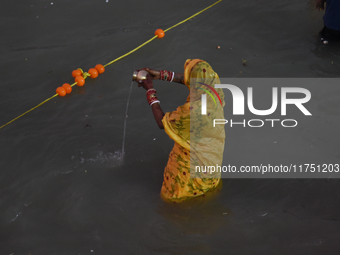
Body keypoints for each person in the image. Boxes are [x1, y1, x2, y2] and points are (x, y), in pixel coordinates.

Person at [136, 59, 226, 202]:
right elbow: (189, 80)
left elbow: (162, 122)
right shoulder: (214, 89)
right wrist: (161, 75)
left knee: (174, 198)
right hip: (211, 159)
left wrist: (150, 91)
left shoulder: (194, 111)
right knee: (206, 190)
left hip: (190, 166)